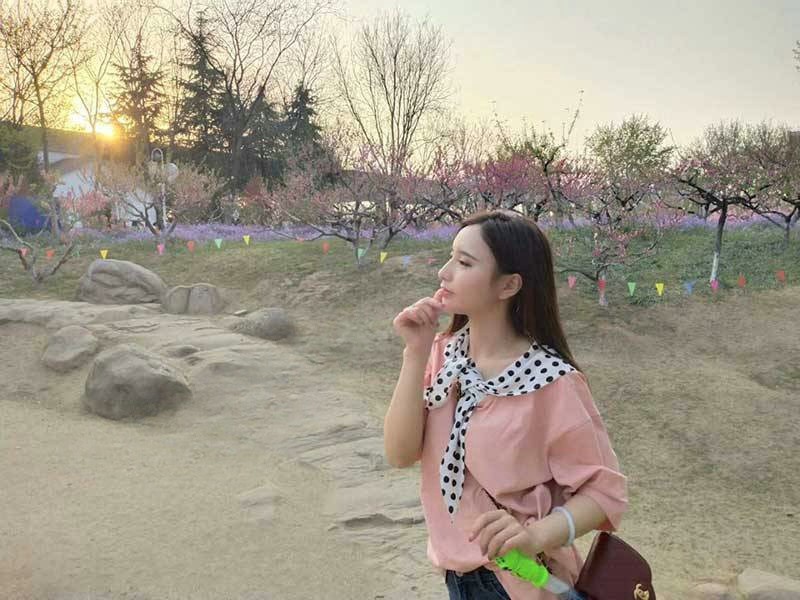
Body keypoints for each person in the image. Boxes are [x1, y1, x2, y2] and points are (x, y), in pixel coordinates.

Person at [383, 210, 628, 600]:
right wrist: (415, 352)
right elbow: (399, 454)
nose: (444, 272)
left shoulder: (552, 382)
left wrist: (534, 536)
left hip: (520, 582)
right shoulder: (443, 356)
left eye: (464, 263)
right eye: (450, 257)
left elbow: (604, 494)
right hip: (458, 576)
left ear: (509, 284)